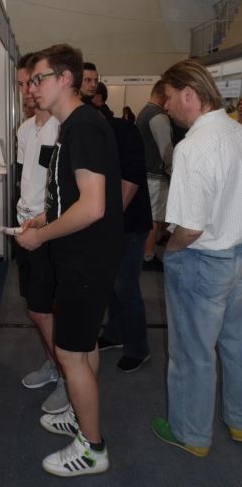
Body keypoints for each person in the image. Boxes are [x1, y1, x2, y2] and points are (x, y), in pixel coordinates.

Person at [16, 44, 123, 477]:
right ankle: (81, 417)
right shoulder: (72, 126)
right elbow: (73, 196)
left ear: (65, 78)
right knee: (82, 346)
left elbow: (93, 206)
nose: (32, 88)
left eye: (39, 79)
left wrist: (39, 235)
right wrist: (44, 217)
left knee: (70, 352)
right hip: (82, 257)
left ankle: (93, 448)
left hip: (86, 259)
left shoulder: (82, 128)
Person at [151, 59, 242, 455]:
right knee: (236, 344)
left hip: (202, 260)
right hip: (236, 255)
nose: (166, 105)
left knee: (192, 352)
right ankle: (238, 420)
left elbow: (189, 229)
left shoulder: (191, 147)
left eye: (170, 97)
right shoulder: (238, 132)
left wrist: (169, 249)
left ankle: (191, 434)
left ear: (189, 94)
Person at [15, 54, 66, 413]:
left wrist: (43, 222)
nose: (27, 90)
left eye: (32, 82)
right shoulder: (24, 129)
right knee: (36, 308)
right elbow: (27, 179)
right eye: (21, 84)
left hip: (50, 229)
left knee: (44, 308)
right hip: (25, 225)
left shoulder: (62, 127)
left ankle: (66, 373)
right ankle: (53, 364)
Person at [98, 116, 152, 372]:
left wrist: (109, 222)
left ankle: (138, 348)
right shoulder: (90, 131)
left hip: (130, 224)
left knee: (126, 286)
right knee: (111, 282)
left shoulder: (122, 129)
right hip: (108, 222)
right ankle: (115, 333)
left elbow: (132, 176)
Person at [136, 80, 173, 272]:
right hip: (155, 176)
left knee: (148, 216)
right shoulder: (158, 116)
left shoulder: (143, 112)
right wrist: (174, 172)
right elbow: (166, 150)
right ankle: (148, 256)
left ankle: (143, 253)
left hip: (145, 173)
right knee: (154, 217)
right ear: (163, 95)